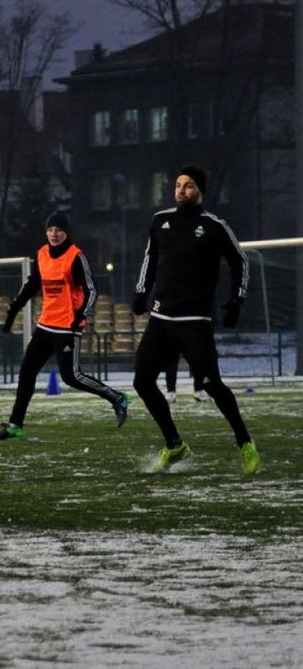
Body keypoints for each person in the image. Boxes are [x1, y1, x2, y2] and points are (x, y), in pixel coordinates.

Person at [131, 165, 258, 474]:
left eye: (188, 185)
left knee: (212, 385)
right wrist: (141, 292)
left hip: (194, 321)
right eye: (177, 184)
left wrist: (236, 300)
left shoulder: (214, 226)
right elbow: (150, 258)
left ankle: (245, 443)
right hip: (161, 317)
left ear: (199, 190)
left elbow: (240, 261)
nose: (181, 190)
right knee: (142, 381)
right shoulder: (160, 221)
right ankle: (174, 445)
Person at [0, 211, 130, 440]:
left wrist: (79, 317)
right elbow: (32, 284)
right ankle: (15, 425)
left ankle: (117, 398)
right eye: (51, 230)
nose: (54, 234)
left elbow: (91, 290)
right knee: (27, 371)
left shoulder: (75, 256)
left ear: (66, 233)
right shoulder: (42, 254)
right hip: (46, 324)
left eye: (59, 230)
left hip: (67, 326)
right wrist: (14, 309)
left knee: (71, 376)